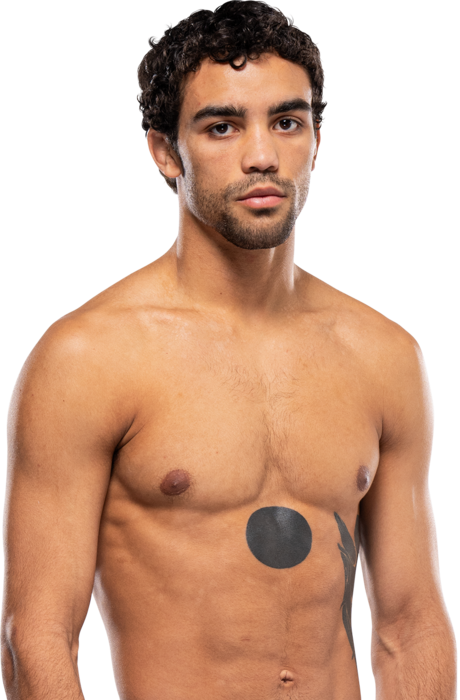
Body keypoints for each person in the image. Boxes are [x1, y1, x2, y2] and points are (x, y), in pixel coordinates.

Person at [1, 1, 457, 698]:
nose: (262, 156)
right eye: (222, 126)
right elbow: (37, 634)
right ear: (165, 153)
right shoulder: (88, 357)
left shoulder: (383, 355)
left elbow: (410, 622)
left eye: (287, 121)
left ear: (316, 140)